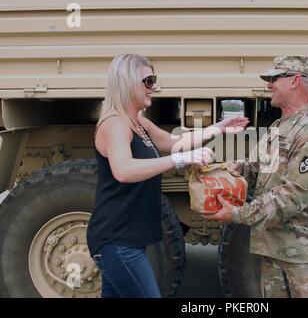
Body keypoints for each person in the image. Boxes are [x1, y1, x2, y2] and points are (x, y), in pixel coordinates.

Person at [87, 53, 248, 298]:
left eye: (154, 80)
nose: (155, 87)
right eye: (149, 81)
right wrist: (180, 160)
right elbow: (123, 170)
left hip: (125, 239)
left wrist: (218, 128)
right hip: (117, 240)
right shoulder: (115, 123)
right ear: (128, 82)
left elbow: (174, 142)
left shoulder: (137, 121)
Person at [206, 56, 308, 298]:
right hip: (275, 252)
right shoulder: (279, 127)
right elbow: (256, 168)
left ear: (295, 81)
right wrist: (228, 170)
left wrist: (237, 214)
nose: (269, 85)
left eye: (274, 79)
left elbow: (290, 198)